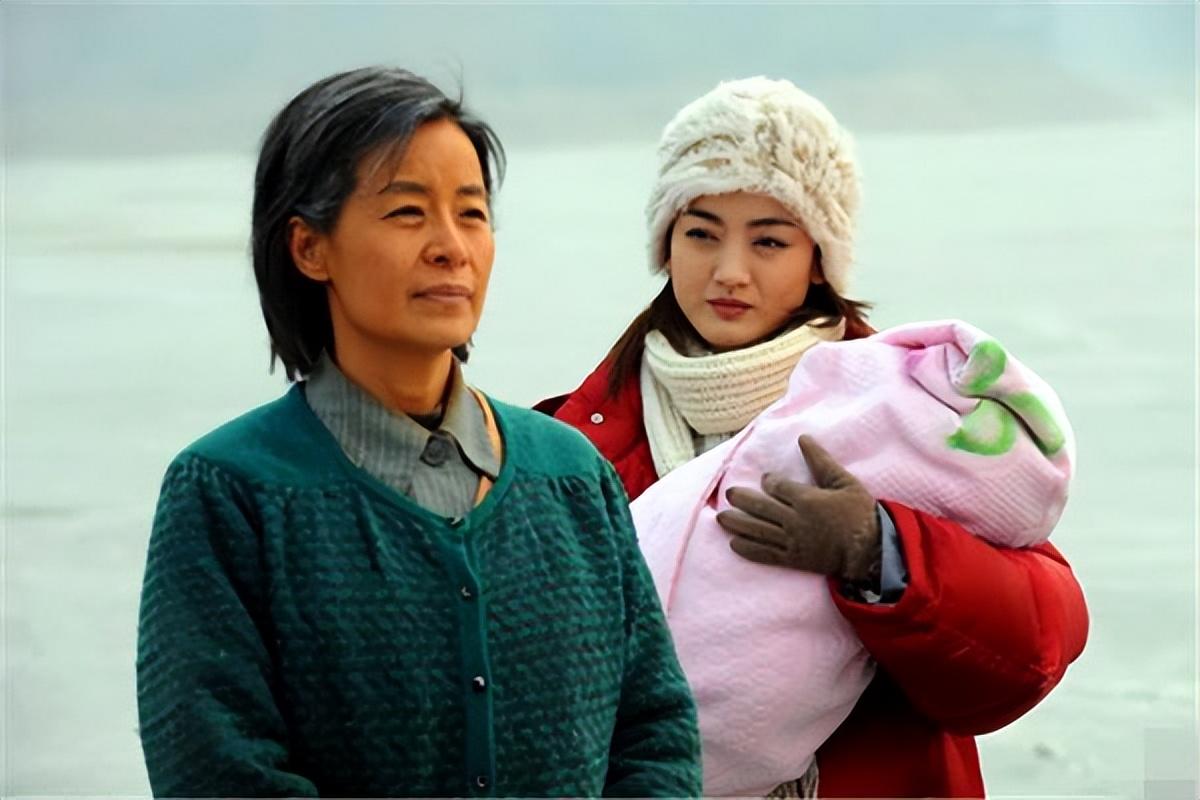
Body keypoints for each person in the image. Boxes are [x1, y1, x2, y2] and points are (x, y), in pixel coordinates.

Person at [136, 66, 702, 798]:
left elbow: (655, 731)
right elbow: (218, 772)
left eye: (471, 213)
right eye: (408, 212)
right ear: (309, 248)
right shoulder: (230, 493)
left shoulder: (570, 476)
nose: (450, 246)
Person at [537, 76, 1089, 798]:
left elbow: (1038, 643)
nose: (729, 271)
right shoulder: (566, 447)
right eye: (700, 232)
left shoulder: (907, 414)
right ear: (665, 245)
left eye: (769, 240)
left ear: (820, 259)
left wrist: (879, 550)